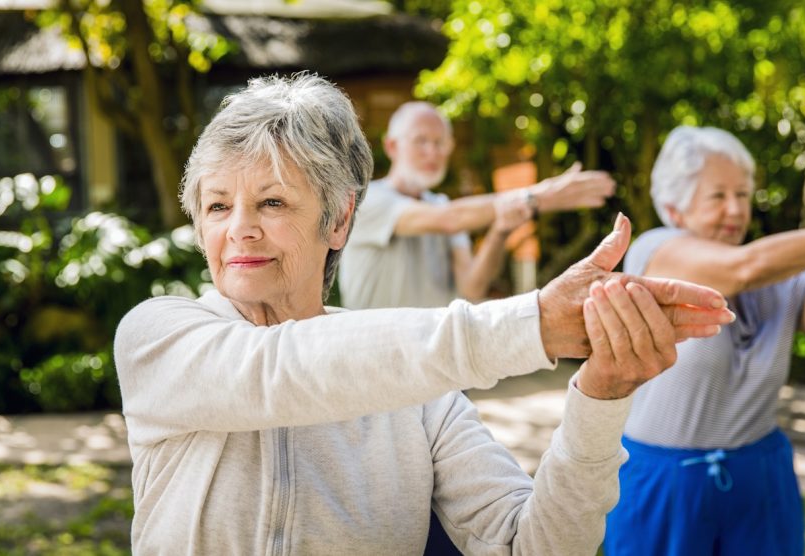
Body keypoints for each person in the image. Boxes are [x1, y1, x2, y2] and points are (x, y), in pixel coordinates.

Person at [114, 75, 734, 555]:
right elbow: (281, 370)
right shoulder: (157, 337)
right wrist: (535, 324)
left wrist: (600, 396)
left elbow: (533, 545)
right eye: (218, 205)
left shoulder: (423, 401)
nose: (240, 229)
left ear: (338, 219)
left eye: (271, 201)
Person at [603, 125, 805, 556]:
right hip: (663, 480)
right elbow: (742, 268)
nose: (736, 209)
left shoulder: (781, 280)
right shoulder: (654, 253)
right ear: (675, 209)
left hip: (760, 475)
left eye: (743, 194)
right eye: (718, 196)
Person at [338, 101, 615, 310]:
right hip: (377, 361)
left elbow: (472, 287)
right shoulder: (369, 200)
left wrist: (500, 231)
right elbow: (449, 219)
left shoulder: (441, 203)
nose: (432, 152)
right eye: (421, 141)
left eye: (440, 143)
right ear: (392, 146)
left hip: (434, 367)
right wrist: (538, 196)